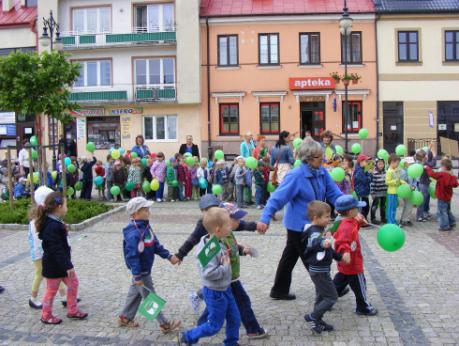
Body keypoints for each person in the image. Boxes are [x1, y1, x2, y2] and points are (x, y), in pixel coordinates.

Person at [258, 138, 343, 300]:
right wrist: (265, 217)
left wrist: (349, 207)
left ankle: (279, 290)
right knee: (313, 258)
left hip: (314, 223)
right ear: (309, 159)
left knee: (290, 256)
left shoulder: (322, 172)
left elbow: (334, 193)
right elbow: (277, 198)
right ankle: (328, 292)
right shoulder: (296, 176)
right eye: (320, 157)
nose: (323, 159)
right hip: (299, 226)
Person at [195, 203, 268, 340]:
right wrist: (224, 267)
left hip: (230, 278)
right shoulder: (217, 239)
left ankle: (202, 323)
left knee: (221, 304)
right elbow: (208, 268)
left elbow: (231, 249)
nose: (239, 222)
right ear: (224, 222)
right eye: (235, 219)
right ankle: (253, 329)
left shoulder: (227, 234)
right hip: (228, 279)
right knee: (243, 302)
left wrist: (242, 250)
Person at [178, 208, 241, 346]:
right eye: (228, 225)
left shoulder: (219, 239)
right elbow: (208, 273)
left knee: (235, 318)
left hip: (225, 288)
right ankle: (187, 337)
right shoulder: (209, 248)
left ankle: (231, 343)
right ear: (218, 229)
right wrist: (225, 267)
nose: (231, 227)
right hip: (215, 292)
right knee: (214, 326)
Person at [118, 197, 181, 331]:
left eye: (148, 209)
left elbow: (156, 244)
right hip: (141, 272)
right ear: (135, 214)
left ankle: (125, 317)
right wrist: (137, 275)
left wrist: (169, 256)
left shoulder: (146, 227)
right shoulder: (133, 233)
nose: (149, 212)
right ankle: (164, 324)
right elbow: (132, 256)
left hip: (144, 270)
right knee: (150, 298)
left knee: (135, 293)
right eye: (145, 210)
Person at [36, 192, 87, 324]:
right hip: (55, 266)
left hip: (62, 264)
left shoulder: (54, 221)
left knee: (73, 283)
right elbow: (56, 249)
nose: (67, 208)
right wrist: (68, 266)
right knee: (51, 291)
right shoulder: (52, 226)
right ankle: (46, 315)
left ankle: (72, 310)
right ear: (59, 207)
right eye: (66, 205)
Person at [301, 201, 350, 334]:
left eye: (330, 216)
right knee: (331, 297)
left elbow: (329, 250)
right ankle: (313, 317)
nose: (329, 219)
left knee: (322, 296)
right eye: (327, 217)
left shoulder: (320, 229)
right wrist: (323, 243)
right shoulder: (313, 232)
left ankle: (318, 320)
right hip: (318, 271)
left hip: (322, 270)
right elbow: (315, 243)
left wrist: (339, 257)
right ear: (316, 218)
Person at [333, 195, 378, 316]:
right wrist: (346, 252)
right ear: (350, 211)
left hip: (346, 263)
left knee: (340, 281)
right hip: (352, 262)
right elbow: (342, 241)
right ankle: (363, 307)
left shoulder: (347, 221)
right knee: (360, 285)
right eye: (357, 208)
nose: (359, 210)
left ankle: (326, 299)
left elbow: (353, 228)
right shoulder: (346, 226)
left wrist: (360, 221)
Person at [27, 186, 66, 310]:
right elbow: (39, 240)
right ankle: (33, 299)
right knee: (40, 274)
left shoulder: (44, 218)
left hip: (45, 252)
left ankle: (65, 297)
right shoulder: (36, 221)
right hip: (40, 254)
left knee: (57, 273)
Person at [425, 158, 458, 231]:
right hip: (448, 196)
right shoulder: (451, 175)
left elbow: (432, 174)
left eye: (441, 166)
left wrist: (427, 168)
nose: (440, 168)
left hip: (441, 196)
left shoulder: (442, 174)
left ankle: (444, 226)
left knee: (442, 212)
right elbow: (455, 184)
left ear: (444, 167)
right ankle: (452, 222)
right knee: (447, 210)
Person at [385, 154, 404, 225]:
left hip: (396, 192)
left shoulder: (395, 170)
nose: (398, 165)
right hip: (391, 192)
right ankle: (390, 221)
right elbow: (387, 182)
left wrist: (403, 182)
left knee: (394, 208)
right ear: (392, 162)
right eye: (397, 163)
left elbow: (398, 180)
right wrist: (395, 181)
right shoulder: (389, 171)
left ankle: (393, 220)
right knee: (390, 208)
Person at [370, 158, 387, 224]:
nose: (381, 165)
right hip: (376, 193)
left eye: (382, 164)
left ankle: (383, 218)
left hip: (384, 193)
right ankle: (373, 218)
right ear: (376, 165)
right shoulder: (374, 173)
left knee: (383, 206)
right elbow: (372, 184)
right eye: (379, 164)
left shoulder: (386, 172)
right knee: (374, 206)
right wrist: (372, 193)